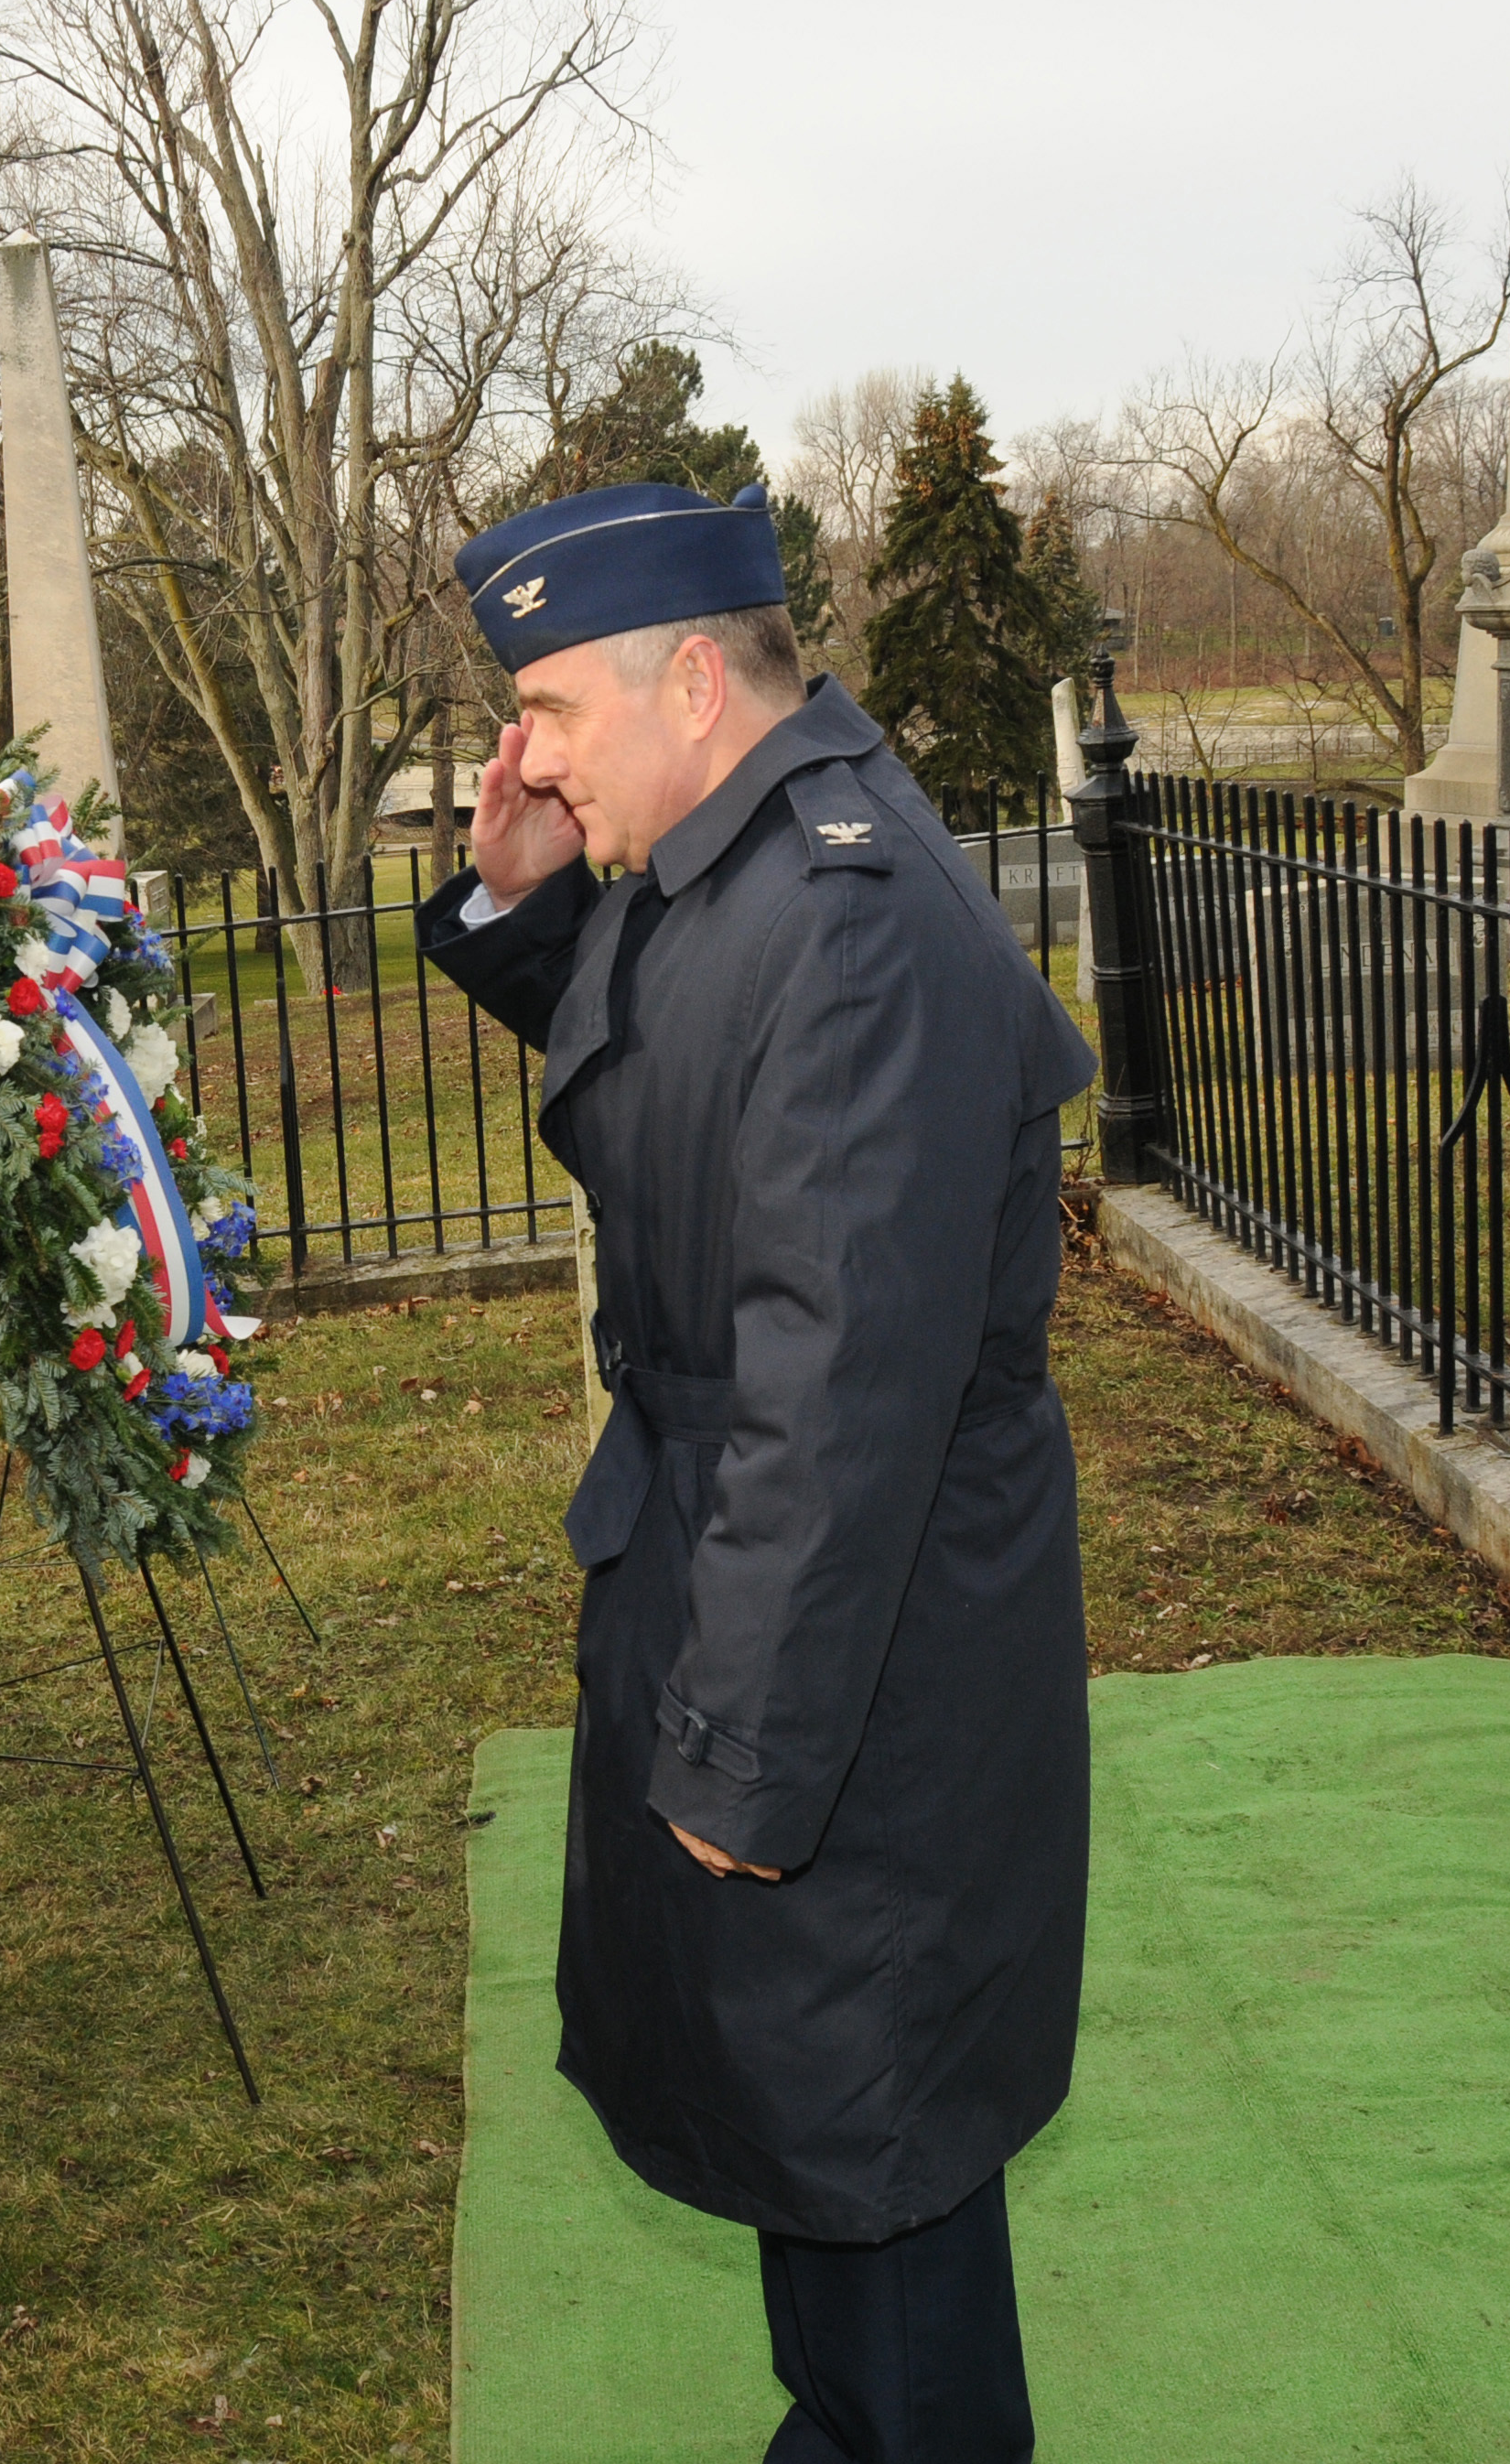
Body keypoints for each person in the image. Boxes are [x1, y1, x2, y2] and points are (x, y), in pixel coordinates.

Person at [418, 481, 1095, 2464]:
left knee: (867, 2153)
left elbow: (838, 1383)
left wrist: (733, 1750)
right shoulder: (743, 861)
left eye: (544, 705)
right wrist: (527, 894)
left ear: (689, 676)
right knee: (824, 2152)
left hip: (850, 1658)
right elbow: (678, 1086)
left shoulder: (848, 914)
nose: (517, 745)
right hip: (759, 1582)